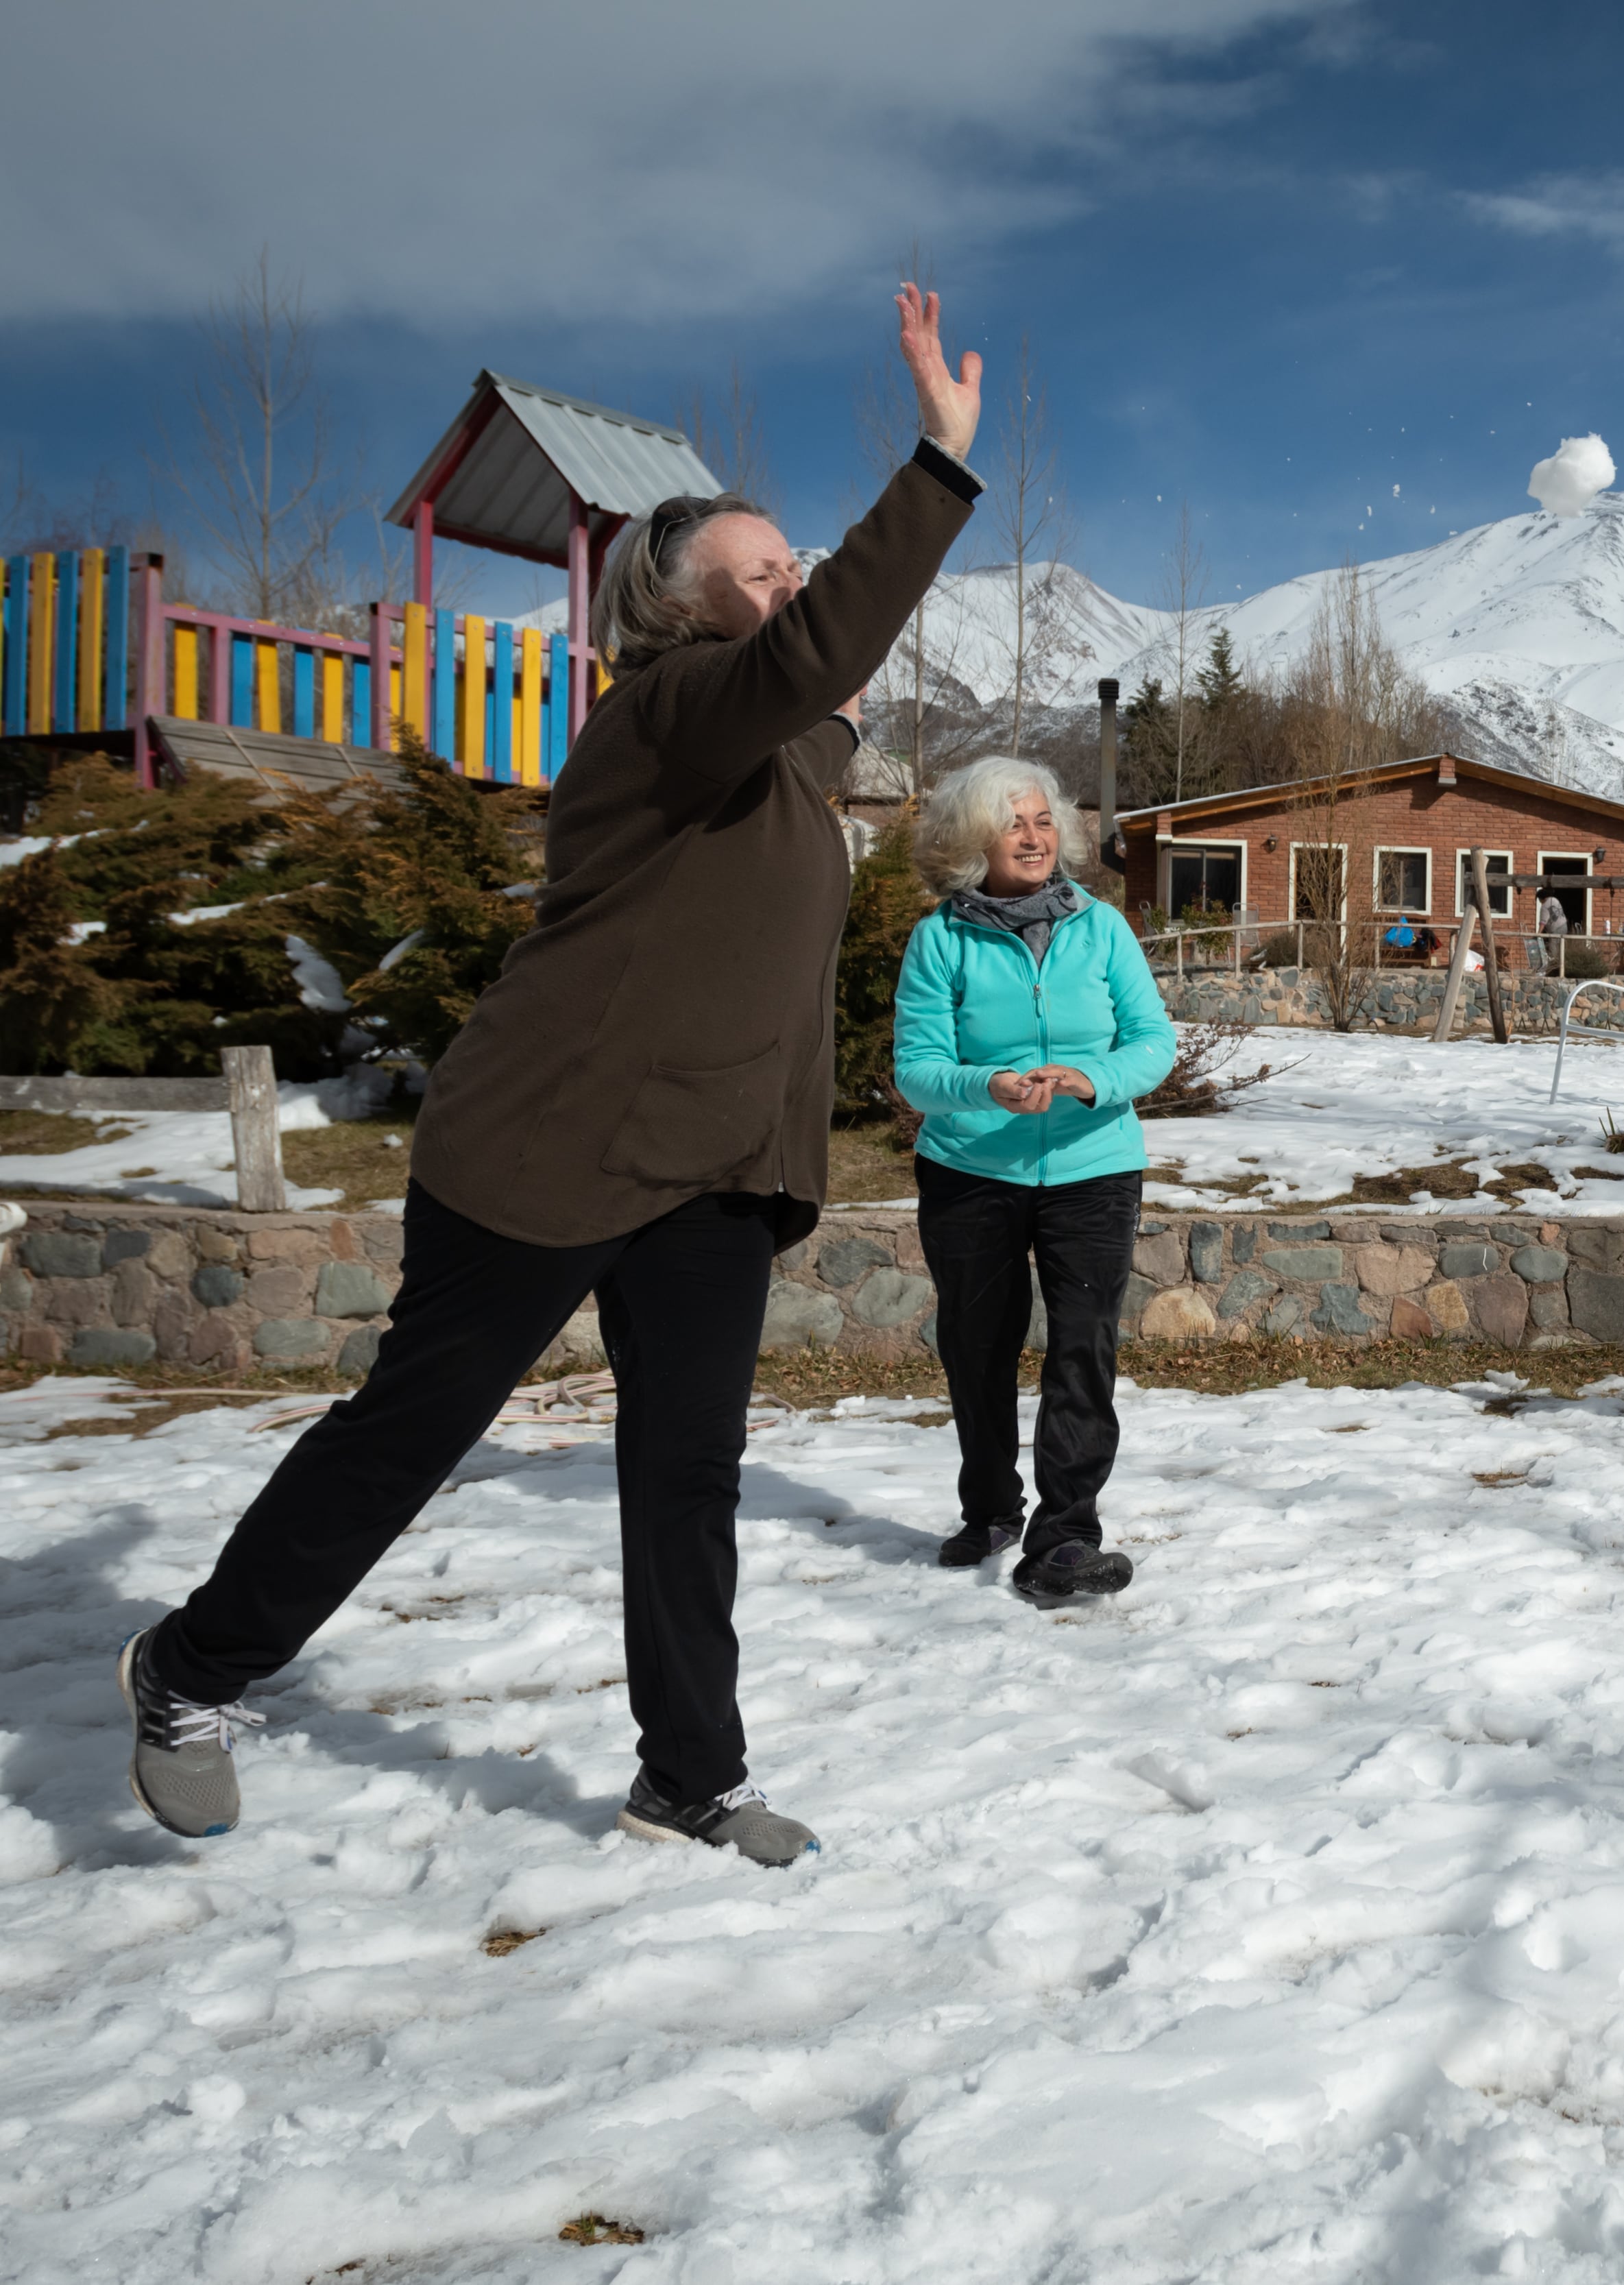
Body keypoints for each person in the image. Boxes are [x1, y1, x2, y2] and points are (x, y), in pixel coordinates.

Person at [117, 288, 989, 1864]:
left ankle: (689, 1772)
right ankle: (189, 1669)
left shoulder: (780, 749)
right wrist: (935, 460)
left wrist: (839, 709)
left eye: (795, 565)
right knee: (418, 1426)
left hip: (716, 1170)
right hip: (554, 1140)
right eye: (762, 571)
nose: (789, 586)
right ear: (678, 614)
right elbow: (814, 665)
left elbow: (820, 717)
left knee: (687, 1471)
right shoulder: (665, 716)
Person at [893, 758, 1178, 1601]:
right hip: (970, 1170)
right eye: (1012, 823)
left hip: (1094, 1167)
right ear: (971, 839)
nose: (1032, 837)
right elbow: (916, 1070)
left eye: (1043, 821)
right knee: (977, 1350)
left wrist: (1096, 1081)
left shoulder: (1103, 929)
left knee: (1083, 1347)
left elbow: (1151, 1041)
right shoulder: (940, 937)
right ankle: (989, 1509)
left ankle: (1064, 1537)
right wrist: (986, 1086)